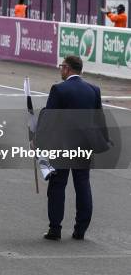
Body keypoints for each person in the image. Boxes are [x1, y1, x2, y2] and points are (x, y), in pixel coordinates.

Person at [42, 55, 107, 241]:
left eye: (61, 66)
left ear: (67, 69)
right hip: (84, 145)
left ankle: (55, 229)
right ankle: (80, 230)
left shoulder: (59, 89)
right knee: (83, 185)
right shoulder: (93, 90)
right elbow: (99, 119)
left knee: (57, 185)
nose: (60, 70)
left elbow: (49, 119)